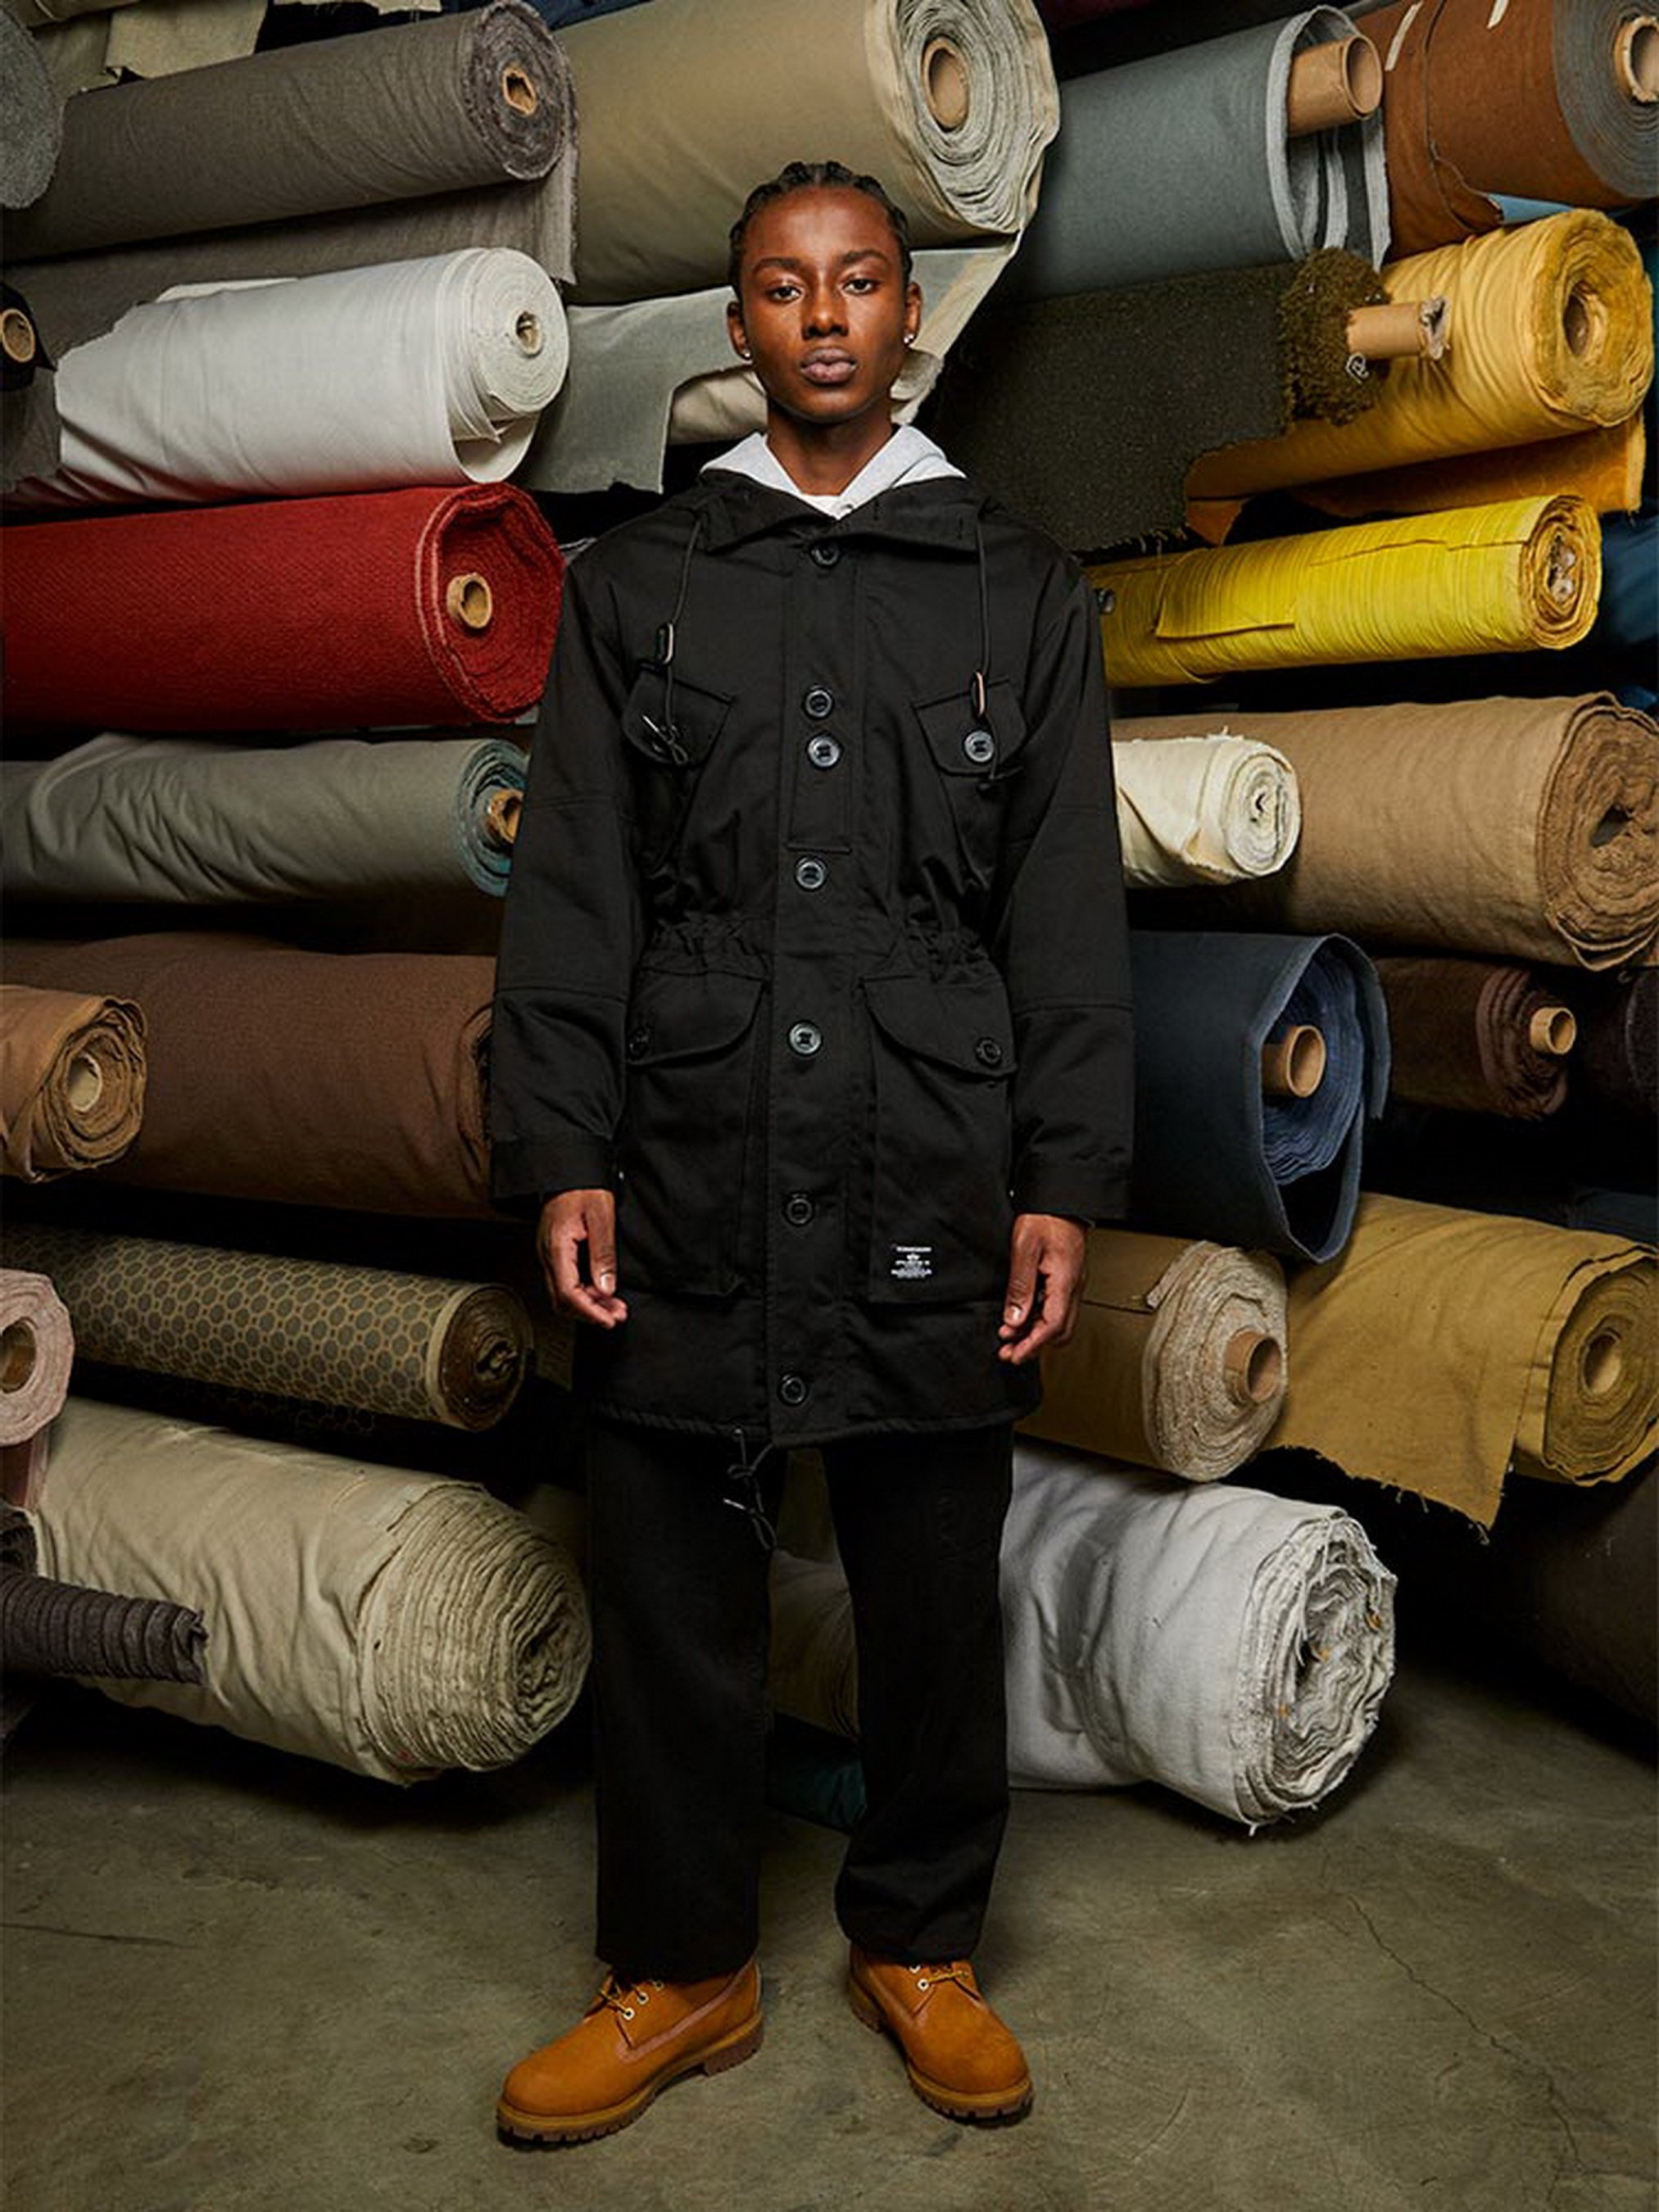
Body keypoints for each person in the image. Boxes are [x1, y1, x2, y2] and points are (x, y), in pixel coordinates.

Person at [488, 159, 1132, 2145]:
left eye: (860, 280)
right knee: (666, 1575)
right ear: (740, 326)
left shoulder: (1017, 593)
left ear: (911, 314)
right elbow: (576, 893)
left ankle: (919, 1942)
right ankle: (679, 1969)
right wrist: (559, 1148)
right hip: (682, 1146)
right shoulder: (640, 587)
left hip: (927, 1150)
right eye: (784, 286)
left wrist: (1062, 1177)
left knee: (931, 1580)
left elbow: (1063, 915)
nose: (826, 314)